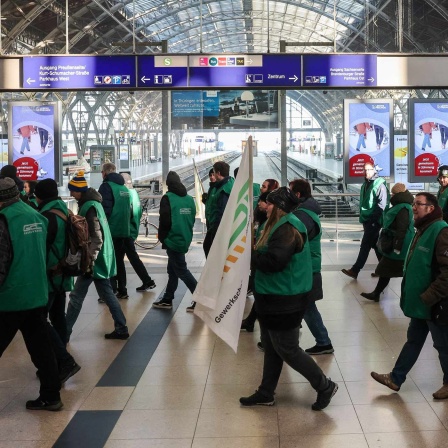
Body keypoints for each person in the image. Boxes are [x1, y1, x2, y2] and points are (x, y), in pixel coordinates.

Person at [239, 187, 338, 410]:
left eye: (270, 203)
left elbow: (275, 262)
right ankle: (266, 392)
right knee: (272, 346)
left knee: (288, 348)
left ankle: (325, 386)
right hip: (271, 295)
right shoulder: (272, 224)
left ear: (281, 208)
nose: (264, 206)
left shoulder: (288, 228)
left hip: (286, 298)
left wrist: (249, 255)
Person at [371, 192, 448, 400]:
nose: (414, 207)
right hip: (422, 303)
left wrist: (430, 296)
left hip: (434, 303)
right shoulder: (423, 228)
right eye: (414, 203)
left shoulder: (440, 231)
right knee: (413, 340)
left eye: (418, 204)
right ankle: (396, 378)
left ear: (430, 208)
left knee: (442, 345)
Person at [0, 177, 62, 411]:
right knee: (41, 349)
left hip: (10, 298)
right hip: (36, 294)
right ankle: (51, 396)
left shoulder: (4, 220)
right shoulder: (36, 215)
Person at [65, 171, 129, 340]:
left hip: (94, 259)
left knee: (76, 297)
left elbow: (96, 237)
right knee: (107, 293)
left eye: (72, 190)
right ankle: (121, 327)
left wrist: (89, 260)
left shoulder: (89, 207)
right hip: (101, 257)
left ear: (79, 191)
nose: (71, 193)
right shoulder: (94, 203)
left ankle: (64, 333)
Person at [34, 179, 81, 383]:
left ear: (40, 196)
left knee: (40, 321)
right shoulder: (64, 210)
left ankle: (63, 361)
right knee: (58, 318)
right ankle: (58, 360)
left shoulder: (46, 217)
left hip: (50, 275)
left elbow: (41, 249)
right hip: (62, 274)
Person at [289, 179, 334, 355]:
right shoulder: (305, 212)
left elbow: (293, 240)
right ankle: (320, 341)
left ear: (298, 195)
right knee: (303, 306)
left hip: (307, 268)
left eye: (291, 191)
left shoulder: (303, 215)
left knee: (307, 306)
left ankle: (323, 342)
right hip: (308, 266)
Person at [360, 183, 414, 302]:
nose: (391, 196)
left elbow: (402, 229)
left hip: (399, 245)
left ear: (397, 195)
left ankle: (378, 293)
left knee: (388, 269)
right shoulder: (402, 206)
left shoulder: (403, 208)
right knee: (387, 270)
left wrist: (397, 247)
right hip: (396, 243)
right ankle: (376, 293)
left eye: (393, 194)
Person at [152, 171, 197, 312]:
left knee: (182, 271)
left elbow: (165, 220)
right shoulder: (190, 199)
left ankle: (199, 298)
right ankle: (167, 298)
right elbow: (192, 218)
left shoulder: (168, 198)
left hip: (173, 239)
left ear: (168, 184)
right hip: (185, 237)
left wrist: (163, 237)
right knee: (172, 269)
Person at [342, 162, 389, 279]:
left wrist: (373, 220)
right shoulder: (366, 184)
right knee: (375, 245)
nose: (367, 172)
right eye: (365, 170)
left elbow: (381, 205)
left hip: (373, 221)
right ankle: (384, 270)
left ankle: (355, 270)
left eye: (369, 170)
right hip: (366, 219)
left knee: (365, 245)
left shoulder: (379, 185)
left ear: (374, 170)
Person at [98, 163, 132, 301]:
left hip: (111, 230)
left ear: (105, 173)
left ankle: (110, 292)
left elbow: (104, 210)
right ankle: (122, 290)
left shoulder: (106, 187)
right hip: (124, 230)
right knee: (119, 261)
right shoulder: (123, 187)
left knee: (109, 261)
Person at [121, 173, 156, 292]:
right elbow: (138, 212)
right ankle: (146, 281)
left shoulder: (126, 195)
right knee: (132, 258)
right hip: (133, 230)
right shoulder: (135, 193)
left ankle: (122, 288)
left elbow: (127, 213)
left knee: (122, 259)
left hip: (126, 232)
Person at [202, 161, 234, 258]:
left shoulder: (224, 190)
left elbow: (221, 212)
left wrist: (216, 231)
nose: (213, 175)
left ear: (218, 173)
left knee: (211, 250)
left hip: (218, 228)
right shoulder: (221, 186)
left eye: (214, 172)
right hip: (214, 226)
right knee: (208, 247)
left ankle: (215, 272)